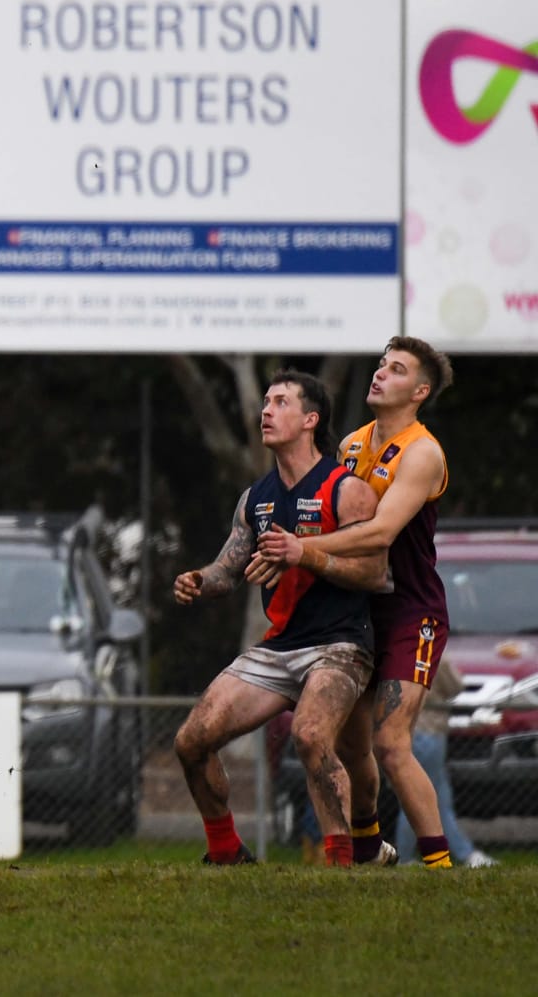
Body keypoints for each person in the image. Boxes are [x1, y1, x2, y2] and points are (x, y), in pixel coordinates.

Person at [255, 336, 460, 868]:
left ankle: (440, 867)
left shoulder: (422, 452)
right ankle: (369, 849)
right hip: (360, 609)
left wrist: (302, 550)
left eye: (396, 370)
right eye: (381, 365)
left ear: (419, 392)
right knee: (350, 746)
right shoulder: (350, 445)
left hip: (412, 612)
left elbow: (381, 533)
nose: (380, 373)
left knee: (392, 742)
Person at [172, 370, 381, 867]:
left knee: (311, 735)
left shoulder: (346, 490)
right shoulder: (255, 498)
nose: (266, 410)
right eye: (265, 401)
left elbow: (374, 573)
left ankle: (342, 863)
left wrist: (303, 554)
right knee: (190, 742)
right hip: (279, 646)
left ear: (311, 419)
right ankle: (226, 854)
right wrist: (199, 580)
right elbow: (228, 570)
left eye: (281, 402)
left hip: (341, 647)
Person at [394, 658, 494, 866]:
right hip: (429, 731)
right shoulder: (432, 655)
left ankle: (463, 852)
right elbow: (455, 685)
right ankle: (405, 856)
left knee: (438, 795)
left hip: (406, 730)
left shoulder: (400, 653)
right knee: (417, 796)